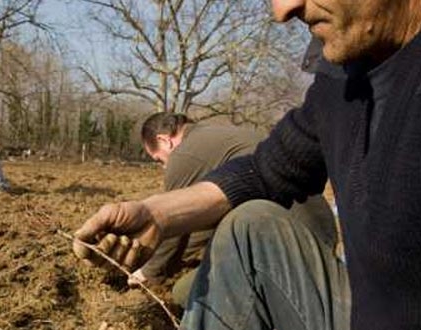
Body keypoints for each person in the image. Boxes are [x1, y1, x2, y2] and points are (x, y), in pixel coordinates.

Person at [72, 0, 421, 330]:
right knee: (253, 227)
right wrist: (156, 215)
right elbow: (268, 169)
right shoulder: (346, 74)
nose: (283, 10)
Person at [130, 112, 338, 310]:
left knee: (184, 293)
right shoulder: (215, 137)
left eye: (159, 159)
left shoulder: (184, 156)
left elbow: (173, 226)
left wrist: (148, 272)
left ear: (165, 140)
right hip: (318, 228)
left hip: (290, 242)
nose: (164, 167)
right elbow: (203, 225)